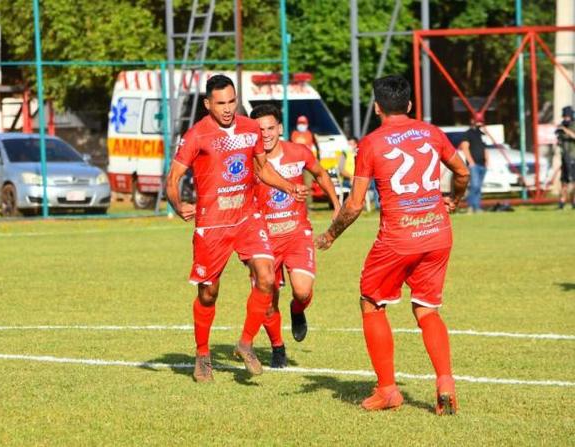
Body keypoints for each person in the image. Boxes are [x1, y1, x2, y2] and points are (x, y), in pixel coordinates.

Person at [315, 75, 470, 415]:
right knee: (427, 309)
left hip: (399, 238)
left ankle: (388, 390)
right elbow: (462, 172)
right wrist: (455, 199)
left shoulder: (371, 143)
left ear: (377, 107)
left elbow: (355, 205)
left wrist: (329, 235)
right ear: (410, 105)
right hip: (437, 232)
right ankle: (445, 382)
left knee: (371, 301)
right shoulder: (432, 133)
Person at [166, 75, 309, 382]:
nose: (228, 108)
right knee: (208, 293)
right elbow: (173, 177)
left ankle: (245, 343)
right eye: (221, 103)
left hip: (247, 218)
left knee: (267, 278)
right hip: (213, 223)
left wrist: (289, 186)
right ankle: (203, 355)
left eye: (232, 101)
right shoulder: (197, 136)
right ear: (207, 104)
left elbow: (261, 169)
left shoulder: (249, 128)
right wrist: (179, 206)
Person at [250, 104, 341, 368]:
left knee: (302, 291)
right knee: (267, 300)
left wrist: (336, 206)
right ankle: (278, 348)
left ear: (280, 128)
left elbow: (321, 174)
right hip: (264, 238)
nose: (265, 134)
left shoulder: (299, 152)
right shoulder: (250, 160)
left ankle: (297, 311)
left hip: (296, 233)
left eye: (270, 128)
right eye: (259, 130)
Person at [459, 114, 487, 213]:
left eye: (481, 120)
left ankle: (477, 207)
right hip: (474, 165)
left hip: (482, 165)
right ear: (472, 121)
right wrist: (471, 162)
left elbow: (484, 148)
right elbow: (464, 148)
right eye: (477, 120)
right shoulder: (468, 133)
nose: (479, 122)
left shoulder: (481, 134)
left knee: (479, 187)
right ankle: (470, 206)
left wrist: (487, 161)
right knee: (474, 186)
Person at [556, 105, 575, 209]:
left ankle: (574, 202)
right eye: (564, 116)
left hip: (574, 156)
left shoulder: (573, 125)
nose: (565, 118)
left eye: (567, 116)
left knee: (574, 181)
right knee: (564, 181)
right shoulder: (562, 125)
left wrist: (565, 130)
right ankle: (562, 203)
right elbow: (559, 140)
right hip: (565, 156)